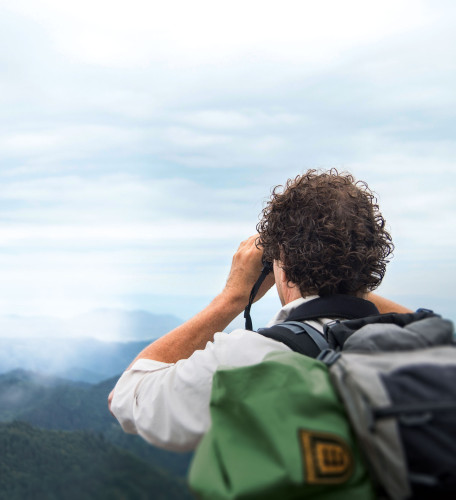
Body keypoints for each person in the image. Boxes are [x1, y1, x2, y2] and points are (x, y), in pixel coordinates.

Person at [108, 169, 411, 451]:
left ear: (282, 262)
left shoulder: (247, 360)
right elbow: (429, 324)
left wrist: (232, 297)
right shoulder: (420, 345)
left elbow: (127, 394)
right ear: (372, 261)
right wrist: (346, 276)